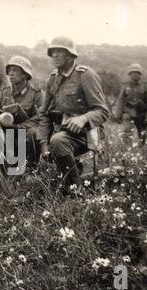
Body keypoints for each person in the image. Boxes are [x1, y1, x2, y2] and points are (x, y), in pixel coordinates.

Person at [38, 37, 109, 194]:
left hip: (87, 133)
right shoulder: (53, 78)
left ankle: (77, 189)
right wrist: (43, 144)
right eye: (53, 52)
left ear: (70, 55)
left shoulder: (85, 75)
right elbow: (44, 113)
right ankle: (73, 172)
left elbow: (103, 111)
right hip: (63, 130)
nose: (55, 55)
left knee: (57, 142)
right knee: (48, 142)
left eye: (60, 52)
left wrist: (83, 118)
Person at [0, 56, 44, 164]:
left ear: (25, 74)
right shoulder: (5, 92)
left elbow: (40, 116)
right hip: (8, 131)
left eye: (15, 70)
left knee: (33, 133)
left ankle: (32, 166)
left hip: (27, 130)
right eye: (9, 70)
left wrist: (19, 126)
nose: (11, 74)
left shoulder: (36, 93)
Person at [114, 63, 147, 145]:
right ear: (129, 74)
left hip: (142, 113)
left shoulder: (145, 86)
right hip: (128, 112)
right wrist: (118, 115)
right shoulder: (125, 86)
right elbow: (120, 100)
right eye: (133, 73)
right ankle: (127, 149)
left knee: (143, 133)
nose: (135, 75)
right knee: (127, 132)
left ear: (140, 74)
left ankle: (142, 150)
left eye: (137, 73)